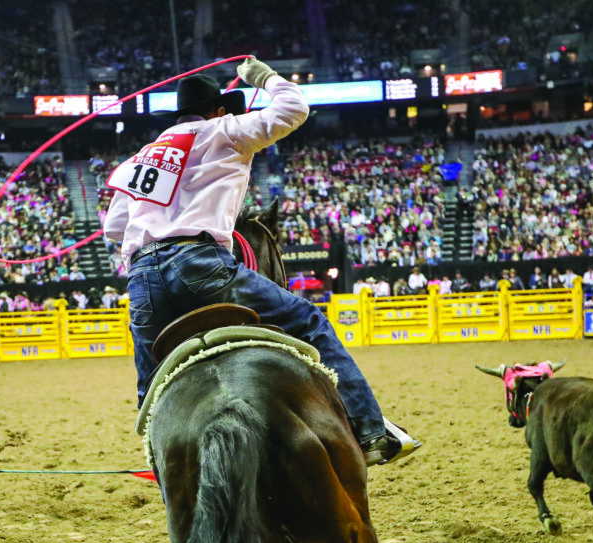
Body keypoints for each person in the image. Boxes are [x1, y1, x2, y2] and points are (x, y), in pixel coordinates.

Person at [102, 59, 418, 466]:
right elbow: (294, 110)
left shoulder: (141, 158)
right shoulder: (224, 131)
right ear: (218, 110)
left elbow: (114, 227)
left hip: (142, 276)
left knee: (151, 389)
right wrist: (262, 77)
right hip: (200, 262)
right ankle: (371, 430)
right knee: (308, 320)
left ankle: (163, 466)